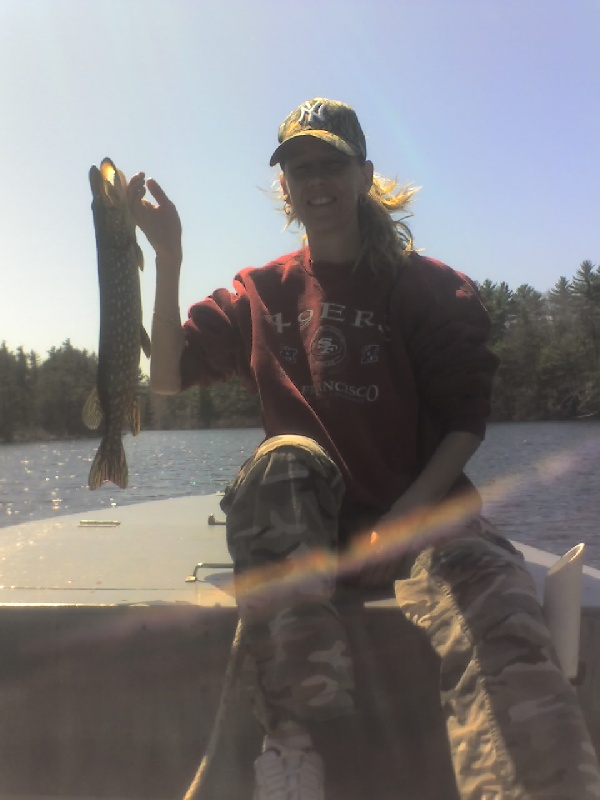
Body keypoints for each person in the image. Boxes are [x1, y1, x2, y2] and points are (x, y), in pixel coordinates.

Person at [128, 98, 600, 800]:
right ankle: (289, 746)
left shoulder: (430, 288)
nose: (316, 183)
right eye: (299, 169)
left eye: (331, 165)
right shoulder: (260, 292)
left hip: (424, 517)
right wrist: (167, 256)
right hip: (304, 530)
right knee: (282, 458)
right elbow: (165, 379)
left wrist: (405, 517)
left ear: (364, 173)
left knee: (498, 610)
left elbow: (464, 420)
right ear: (283, 186)